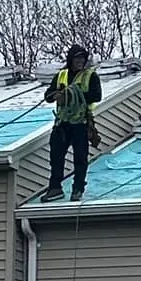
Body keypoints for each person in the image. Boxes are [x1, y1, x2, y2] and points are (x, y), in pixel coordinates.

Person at [41, 45, 103, 200]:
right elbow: (48, 95)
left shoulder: (90, 76)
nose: (80, 61)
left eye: (82, 58)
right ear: (71, 60)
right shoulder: (61, 75)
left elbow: (96, 96)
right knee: (56, 156)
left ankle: (78, 189)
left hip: (81, 123)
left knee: (80, 158)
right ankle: (55, 188)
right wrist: (56, 95)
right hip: (63, 123)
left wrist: (73, 94)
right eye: (77, 58)